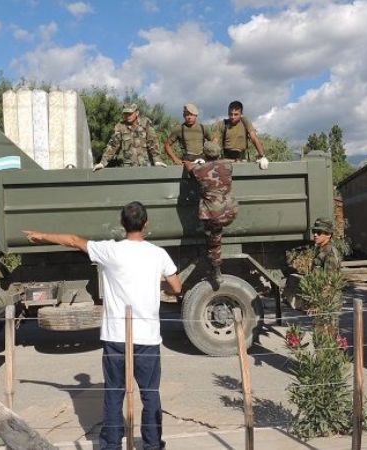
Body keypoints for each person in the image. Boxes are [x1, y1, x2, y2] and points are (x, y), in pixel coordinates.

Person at [22, 201, 181, 450]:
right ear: (146, 224)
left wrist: (41, 235)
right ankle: (152, 445)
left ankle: (111, 445)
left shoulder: (110, 251)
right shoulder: (158, 254)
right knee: (150, 395)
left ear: (122, 224)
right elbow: (177, 286)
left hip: (116, 336)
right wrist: (157, 285)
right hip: (147, 338)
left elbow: (74, 240)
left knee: (114, 393)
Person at [183, 142, 238, 283]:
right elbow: (229, 161)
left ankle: (216, 270)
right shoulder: (228, 165)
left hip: (214, 213)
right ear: (219, 153)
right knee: (216, 234)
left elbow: (189, 167)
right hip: (230, 211)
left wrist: (189, 160)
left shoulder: (200, 169)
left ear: (205, 154)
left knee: (214, 242)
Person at [94, 103, 166, 170]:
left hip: (146, 166)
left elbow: (152, 142)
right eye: (125, 114)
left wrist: (157, 160)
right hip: (128, 168)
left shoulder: (145, 123)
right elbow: (113, 145)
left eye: (130, 114)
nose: (127, 116)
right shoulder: (120, 126)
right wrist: (102, 163)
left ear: (137, 113)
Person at [211, 100, 269, 169]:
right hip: (226, 160)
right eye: (230, 114)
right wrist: (211, 156)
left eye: (236, 114)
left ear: (241, 114)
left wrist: (262, 156)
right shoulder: (223, 124)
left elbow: (254, 138)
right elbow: (214, 142)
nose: (232, 117)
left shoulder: (245, 121)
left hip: (241, 160)